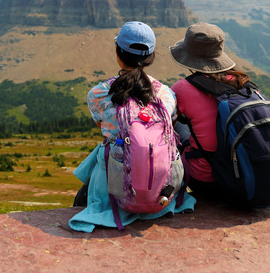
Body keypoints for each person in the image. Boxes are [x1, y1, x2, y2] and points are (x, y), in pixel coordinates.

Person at [68, 21, 195, 232]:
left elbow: (102, 127)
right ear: (150, 57)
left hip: (112, 187)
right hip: (161, 191)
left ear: (118, 52)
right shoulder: (166, 94)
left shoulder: (98, 94)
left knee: (107, 145)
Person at [169, 22, 252, 200]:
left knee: (175, 126)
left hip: (206, 181)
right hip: (247, 175)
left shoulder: (182, 88)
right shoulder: (243, 83)